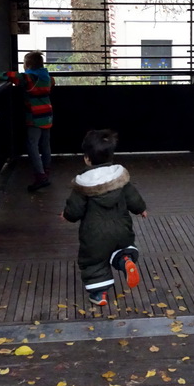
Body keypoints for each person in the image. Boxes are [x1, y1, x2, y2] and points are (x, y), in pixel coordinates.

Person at [61, 129, 148, 307]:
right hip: (121, 228)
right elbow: (133, 196)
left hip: (95, 235)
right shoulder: (119, 177)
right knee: (120, 248)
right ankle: (125, 261)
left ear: (87, 158)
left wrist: (67, 215)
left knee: (94, 261)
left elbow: (75, 210)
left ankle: (99, 294)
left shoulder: (84, 184)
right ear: (111, 156)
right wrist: (141, 209)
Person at [0, 51, 54, 192]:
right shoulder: (46, 76)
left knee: (32, 144)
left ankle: (40, 176)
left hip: (35, 116)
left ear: (28, 65)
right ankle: (46, 171)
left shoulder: (30, 77)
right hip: (47, 114)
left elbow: (10, 76)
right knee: (45, 144)